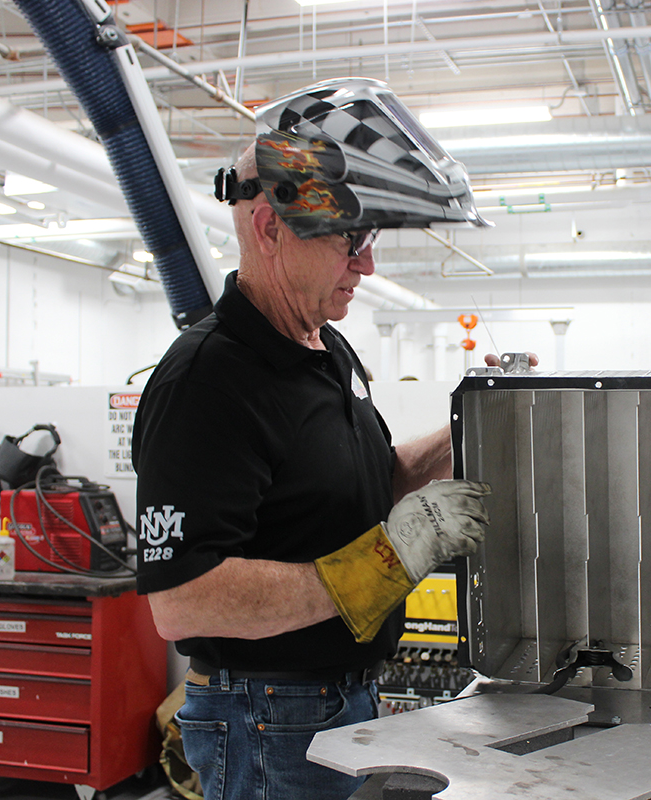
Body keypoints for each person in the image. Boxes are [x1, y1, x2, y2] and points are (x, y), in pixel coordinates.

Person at [132, 78, 507, 800]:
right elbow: (183, 598)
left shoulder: (324, 350)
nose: (367, 263)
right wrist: (392, 557)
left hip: (336, 700)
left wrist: (466, 431)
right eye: (350, 238)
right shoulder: (208, 381)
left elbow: (364, 485)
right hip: (265, 718)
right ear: (271, 228)